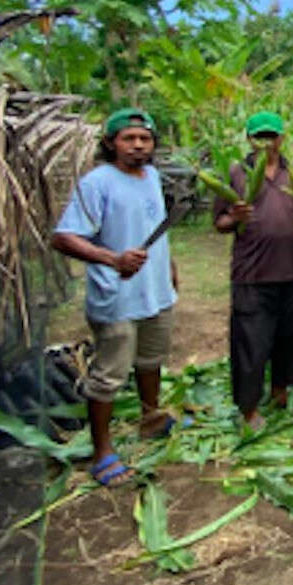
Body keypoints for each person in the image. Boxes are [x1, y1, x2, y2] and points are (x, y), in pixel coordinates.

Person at [52, 108, 180, 487]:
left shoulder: (152, 176)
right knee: (109, 375)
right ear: (111, 143)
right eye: (129, 138)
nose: (139, 145)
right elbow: (63, 236)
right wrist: (112, 258)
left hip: (155, 292)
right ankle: (102, 449)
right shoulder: (98, 183)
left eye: (145, 138)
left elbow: (153, 225)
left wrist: (168, 265)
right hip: (117, 297)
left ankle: (150, 417)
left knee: (151, 360)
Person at [212, 112, 293, 431]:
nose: (265, 143)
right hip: (253, 273)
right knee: (252, 340)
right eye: (258, 137)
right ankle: (248, 408)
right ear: (248, 140)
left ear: (281, 139)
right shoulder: (235, 173)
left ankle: (281, 390)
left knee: (292, 336)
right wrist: (234, 217)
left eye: (271, 136)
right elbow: (219, 223)